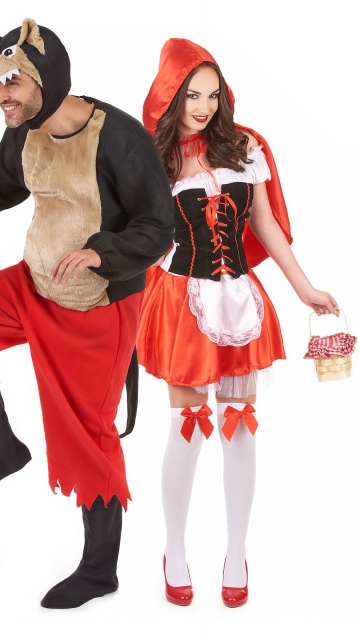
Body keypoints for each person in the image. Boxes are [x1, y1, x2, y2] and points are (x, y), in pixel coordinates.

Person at [0, 18, 173, 609]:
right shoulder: (24, 134)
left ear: (47, 77)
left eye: (13, 82)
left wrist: (100, 253)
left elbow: (157, 227)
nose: (3, 96)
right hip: (34, 282)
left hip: (96, 306)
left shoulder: (120, 138)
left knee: (86, 434)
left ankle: (100, 569)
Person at [137, 38, 339, 608]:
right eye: (191, 95)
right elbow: (139, 235)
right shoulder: (154, 159)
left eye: (212, 94)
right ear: (169, 95)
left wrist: (305, 290)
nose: (203, 106)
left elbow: (266, 225)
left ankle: (235, 553)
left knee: (240, 426)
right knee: (186, 427)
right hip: (183, 300)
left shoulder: (244, 146)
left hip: (241, 300)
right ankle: (175, 550)